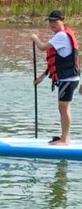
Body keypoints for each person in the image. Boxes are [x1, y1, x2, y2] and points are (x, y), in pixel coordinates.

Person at [31, 10, 81, 145]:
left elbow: (42, 47)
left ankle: (64, 139)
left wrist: (34, 38)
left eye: (55, 21)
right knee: (64, 108)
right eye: (50, 21)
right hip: (70, 78)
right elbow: (56, 61)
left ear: (62, 21)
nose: (52, 24)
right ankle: (65, 137)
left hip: (68, 78)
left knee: (63, 108)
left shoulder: (61, 36)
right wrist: (42, 76)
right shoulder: (62, 36)